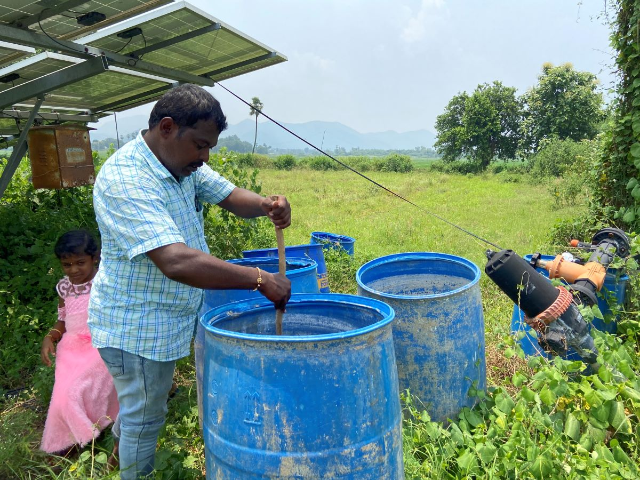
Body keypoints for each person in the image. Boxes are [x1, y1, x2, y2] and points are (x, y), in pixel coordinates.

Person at [88, 84, 291, 479]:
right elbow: (175, 260)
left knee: (140, 407)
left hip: (164, 320)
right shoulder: (127, 178)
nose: (205, 156)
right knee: (145, 419)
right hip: (136, 328)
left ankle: (113, 460)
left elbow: (230, 195)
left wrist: (266, 205)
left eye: (209, 147)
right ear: (167, 127)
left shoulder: (180, 166)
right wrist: (259, 279)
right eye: (200, 145)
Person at [40, 230, 119, 456]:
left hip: (101, 344)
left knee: (80, 389)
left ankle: (90, 429)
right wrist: (50, 336)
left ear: (95, 258)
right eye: (67, 264)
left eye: (80, 263)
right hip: (71, 349)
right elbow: (63, 318)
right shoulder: (64, 287)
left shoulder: (105, 281)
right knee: (63, 395)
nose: (73, 269)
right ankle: (65, 441)